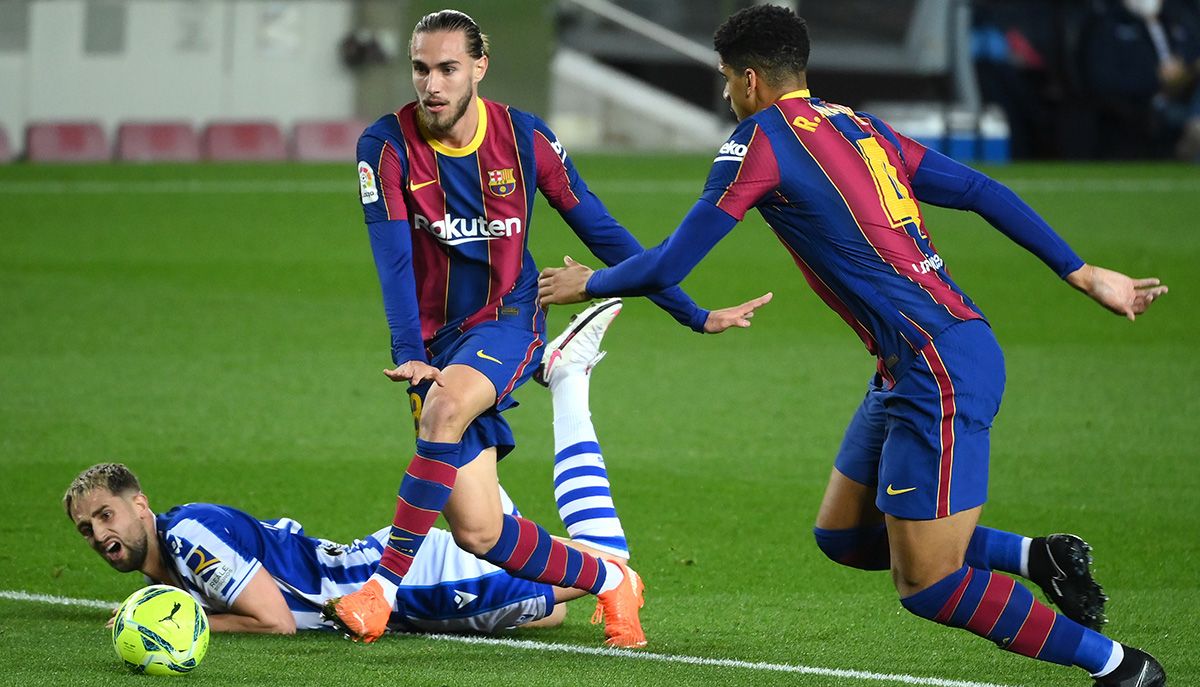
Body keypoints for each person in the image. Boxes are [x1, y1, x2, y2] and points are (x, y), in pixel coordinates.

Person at [537, 6, 1169, 686]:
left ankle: (1121, 667)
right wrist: (1080, 270)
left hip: (939, 368)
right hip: (910, 363)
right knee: (844, 534)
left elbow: (668, 264)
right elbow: (981, 189)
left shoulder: (761, 141)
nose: (726, 95)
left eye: (726, 80)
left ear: (750, 80)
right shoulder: (858, 125)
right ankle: (1037, 557)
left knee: (930, 583)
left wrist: (589, 281)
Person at [333, 9, 765, 647]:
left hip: (508, 318)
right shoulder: (386, 145)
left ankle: (380, 590)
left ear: (480, 67)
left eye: (449, 68)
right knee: (480, 531)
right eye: (422, 69)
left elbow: (602, 229)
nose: (433, 85)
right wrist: (412, 353)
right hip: (436, 343)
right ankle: (610, 578)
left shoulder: (524, 138)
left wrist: (691, 312)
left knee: (444, 410)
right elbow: (393, 257)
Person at [66, 301, 635, 636]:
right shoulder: (165, 564)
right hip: (399, 584)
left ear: (140, 503)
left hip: (411, 584)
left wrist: (169, 625)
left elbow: (274, 621)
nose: (99, 534)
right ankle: (547, 361)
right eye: (87, 529)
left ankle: (565, 377)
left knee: (608, 569)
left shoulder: (188, 538)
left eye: (106, 514)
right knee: (544, 615)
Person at [1075, 0, 1200, 159]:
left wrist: (1186, 70)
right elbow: (1101, 79)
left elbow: (1192, 55)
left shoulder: (1176, 20)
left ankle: (1195, 126)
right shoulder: (1107, 23)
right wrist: (1156, 78)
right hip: (1147, 105)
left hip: (1184, 97)